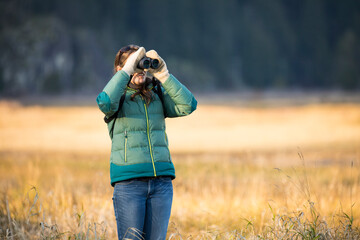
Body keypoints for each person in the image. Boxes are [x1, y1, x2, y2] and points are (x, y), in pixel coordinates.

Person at [96, 45, 197, 240]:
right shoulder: (118, 98)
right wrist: (127, 71)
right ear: (120, 70)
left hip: (161, 182)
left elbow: (188, 105)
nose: (139, 70)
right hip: (129, 184)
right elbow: (104, 103)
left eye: (141, 64)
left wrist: (164, 74)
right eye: (133, 64)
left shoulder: (156, 94)